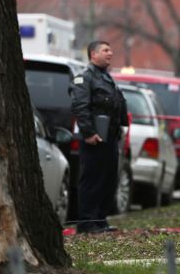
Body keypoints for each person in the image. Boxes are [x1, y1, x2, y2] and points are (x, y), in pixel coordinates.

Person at [71, 40, 128, 234]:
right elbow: (80, 107)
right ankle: (87, 222)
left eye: (110, 49)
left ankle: (100, 220)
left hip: (110, 137)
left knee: (108, 180)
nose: (110, 53)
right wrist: (88, 133)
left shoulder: (107, 78)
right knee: (92, 179)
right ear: (93, 55)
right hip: (94, 138)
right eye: (105, 50)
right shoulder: (85, 78)